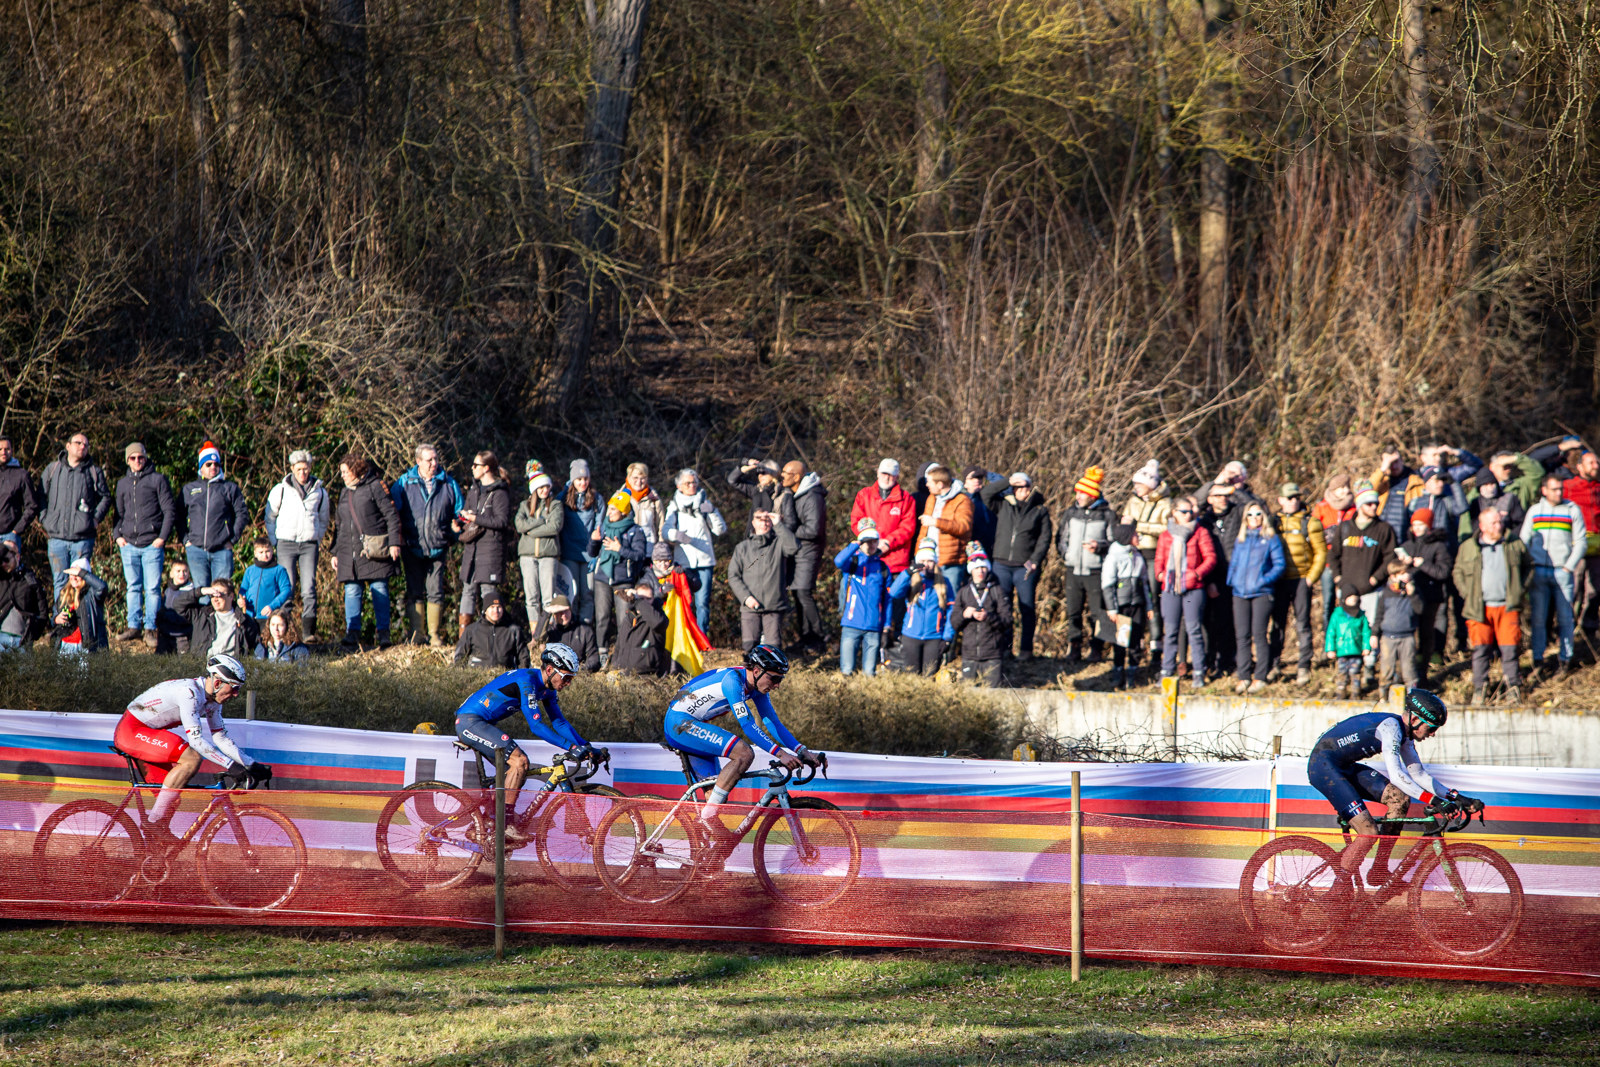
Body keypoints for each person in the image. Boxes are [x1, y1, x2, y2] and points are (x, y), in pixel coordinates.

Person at [1307, 689, 1480, 894]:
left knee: (1399, 799)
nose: (1433, 734)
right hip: (1323, 766)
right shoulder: (1391, 728)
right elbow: (1397, 776)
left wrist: (1457, 797)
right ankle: (1337, 892)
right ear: (1415, 719)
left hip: (1343, 766)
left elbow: (1418, 774)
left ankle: (1379, 868)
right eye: (1432, 727)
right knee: (1369, 832)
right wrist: (1434, 800)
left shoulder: (1405, 734)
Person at [662, 645, 819, 845]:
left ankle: (704, 856)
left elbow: (773, 722)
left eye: (781, 680)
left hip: (691, 725)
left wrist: (801, 750)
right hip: (679, 723)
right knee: (744, 753)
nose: (777, 685)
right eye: (774, 679)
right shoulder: (732, 681)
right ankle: (706, 819)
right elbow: (748, 725)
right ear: (757, 670)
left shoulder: (757, 688)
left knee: (716, 795)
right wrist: (781, 754)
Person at [115, 655, 271, 850]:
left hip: (147, 733)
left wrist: (250, 764)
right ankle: (153, 823)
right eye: (234, 688)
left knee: (172, 798)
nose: (236, 694)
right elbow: (196, 741)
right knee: (192, 758)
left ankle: (152, 856)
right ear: (217, 682)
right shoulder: (189, 693)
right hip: (132, 731)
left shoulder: (213, 701)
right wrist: (231, 766)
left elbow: (220, 737)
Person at [452, 644, 589, 844]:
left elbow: (559, 723)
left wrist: (586, 746)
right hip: (470, 722)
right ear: (550, 670)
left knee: (515, 773)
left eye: (571, 679)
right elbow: (536, 726)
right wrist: (571, 747)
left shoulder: (547, 690)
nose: (568, 683)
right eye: (566, 677)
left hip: (480, 723)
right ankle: (505, 824)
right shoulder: (527, 682)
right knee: (520, 762)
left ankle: (486, 822)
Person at [391, 444, 464, 648]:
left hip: (438, 546)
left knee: (436, 591)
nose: (434, 463)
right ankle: (417, 634)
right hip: (412, 546)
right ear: (418, 461)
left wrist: (454, 532)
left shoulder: (448, 483)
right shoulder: (404, 482)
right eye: (429, 460)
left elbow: (460, 511)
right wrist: (398, 538)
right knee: (414, 591)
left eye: (435, 459)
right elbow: (393, 512)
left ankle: (434, 635)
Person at [1454, 506, 1527, 705]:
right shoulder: (1469, 546)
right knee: (1480, 650)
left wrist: (1520, 590)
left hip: (1507, 606)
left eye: (1499, 521)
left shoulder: (1514, 543)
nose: (1499, 526)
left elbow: (1528, 567)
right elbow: (1457, 572)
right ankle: (1480, 689)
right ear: (1482, 526)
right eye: (1493, 523)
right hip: (1479, 608)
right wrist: (1467, 593)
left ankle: (1512, 688)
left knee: (1510, 650)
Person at [329, 452, 403, 649]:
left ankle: (384, 634)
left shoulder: (375, 486)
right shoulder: (344, 492)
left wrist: (394, 543)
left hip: (374, 550)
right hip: (349, 552)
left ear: (356, 470)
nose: (342, 476)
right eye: (341, 472)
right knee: (352, 591)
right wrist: (335, 552)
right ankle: (352, 633)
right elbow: (340, 525)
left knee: (379, 589)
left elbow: (391, 516)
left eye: (345, 472)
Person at [1326, 482, 1396, 690]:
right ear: (1359, 505)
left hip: (1371, 590)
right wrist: (1338, 578)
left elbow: (1390, 558)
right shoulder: (1345, 527)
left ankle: (1369, 667)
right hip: (1347, 591)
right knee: (1346, 628)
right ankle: (1345, 669)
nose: (1374, 507)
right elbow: (1333, 555)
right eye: (1369, 504)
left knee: (1370, 628)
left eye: (1376, 503)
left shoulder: (1383, 529)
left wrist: (1375, 578)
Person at [980, 471, 1052, 661]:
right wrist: (1007, 481)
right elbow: (985, 494)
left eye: (1025, 487)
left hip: (1024, 568)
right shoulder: (1003, 505)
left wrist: (1035, 560)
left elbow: (1044, 539)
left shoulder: (1039, 510)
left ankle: (1026, 650)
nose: (1022, 491)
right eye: (1018, 487)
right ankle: (1005, 648)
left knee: (1026, 607)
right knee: (1003, 607)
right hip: (1001, 565)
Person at [1521, 473, 1586, 680]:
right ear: (1544, 490)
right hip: (1539, 571)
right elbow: (1524, 540)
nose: (1559, 493)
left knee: (1566, 617)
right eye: (1554, 489)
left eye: (1560, 489)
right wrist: (1529, 565)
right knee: (1539, 618)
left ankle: (1565, 658)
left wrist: (1568, 567)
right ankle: (1538, 659)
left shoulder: (1572, 510)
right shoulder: (1535, 511)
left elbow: (1581, 541)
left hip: (1562, 571)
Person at [113, 441, 176, 646]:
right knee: (132, 587)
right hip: (128, 544)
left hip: (151, 544)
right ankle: (133, 627)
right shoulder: (122, 484)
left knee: (152, 589)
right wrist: (117, 535)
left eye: (140, 457)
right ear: (127, 460)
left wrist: (162, 537)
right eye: (133, 458)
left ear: (146, 458)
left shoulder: (158, 480)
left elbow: (169, 510)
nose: (137, 461)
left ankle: (150, 628)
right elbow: (118, 513)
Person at [265, 449, 331, 641]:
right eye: (299, 469)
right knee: (287, 588)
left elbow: (324, 519)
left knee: (309, 588)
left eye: (306, 468)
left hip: (309, 545)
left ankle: (308, 633)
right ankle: (285, 631)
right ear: (292, 468)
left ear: (310, 468)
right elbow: (270, 516)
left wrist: (316, 538)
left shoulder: (319, 491)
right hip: (286, 543)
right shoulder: (281, 489)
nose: (303, 472)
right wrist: (275, 540)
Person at [850, 460, 919, 640]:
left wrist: (888, 542)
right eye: (884, 473)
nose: (886, 478)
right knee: (868, 602)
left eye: (891, 475)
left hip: (895, 561)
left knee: (895, 604)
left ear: (897, 476)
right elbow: (856, 521)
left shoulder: (906, 499)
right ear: (878, 473)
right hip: (869, 560)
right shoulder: (864, 495)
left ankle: (894, 641)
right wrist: (869, 540)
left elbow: (908, 528)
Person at [38, 432, 110, 599]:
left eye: (86, 445)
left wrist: (95, 519)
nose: (83, 447)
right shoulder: (52, 469)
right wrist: (44, 519)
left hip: (82, 539)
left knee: (80, 582)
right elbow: (40, 496)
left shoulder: (93, 472)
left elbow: (105, 497)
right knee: (60, 582)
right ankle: (61, 615)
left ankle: (79, 615)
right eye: (79, 443)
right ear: (68, 446)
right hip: (56, 538)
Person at [1156, 495, 1217, 690]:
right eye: (1183, 511)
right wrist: (1160, 574)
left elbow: (1210, 557)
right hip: (1170, 588)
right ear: (1174, 512)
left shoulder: (1200, 532)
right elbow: (1159, 559)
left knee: (1193, 629)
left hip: (1193, 589)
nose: (1188, 515)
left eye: (1190, 511)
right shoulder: (1166, 535)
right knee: (1171, 631)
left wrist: (1196, 574)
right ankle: (1166, 671)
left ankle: (1199, 672)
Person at [1226, 503, 1286, 693]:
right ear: (1245, 518)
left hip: (1261, 593)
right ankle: (1243, 676)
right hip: (1239, 593)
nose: (1254, 517)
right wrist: (1232, 581)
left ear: (1263, 516)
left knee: (1259, 634)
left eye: (1258, 513)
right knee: (1241, 636)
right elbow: (1234, 563)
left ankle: (1260, 676)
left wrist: (1263, 581)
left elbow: (1279, 564)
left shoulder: (1270, 538)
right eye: (1250, 514)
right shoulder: (1241, 539)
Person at [1057, 466, 1113, 665]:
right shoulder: (1071, 513)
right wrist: (1067, 556)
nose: (1078, 496)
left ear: (1092, 495)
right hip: (1073, 569)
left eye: (1082, 493)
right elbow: (1061, 538)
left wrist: (1100, 547)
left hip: (1096, 571)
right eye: (1077, 492)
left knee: (1097, 611)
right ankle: (1074, 648)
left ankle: (1097, 649)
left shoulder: (1107, 514)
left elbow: (1113, 542)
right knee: (1073, 611)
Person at [661, 468, 728, 635]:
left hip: (705, 561)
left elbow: (720, 530)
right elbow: (665, 531)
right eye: (688, 483)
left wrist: (712, 511)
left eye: (694, 482)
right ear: (679, 486)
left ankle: (702, 637)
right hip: (683, 562)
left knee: (702, 603)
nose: (692, 486)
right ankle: (686, 637)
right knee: (685, 602)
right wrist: (677, 535)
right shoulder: (674, 506)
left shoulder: (704, 502)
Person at [1270, 483, 1324, 685]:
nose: (1294, 501)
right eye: (1289, 498)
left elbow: (1321, 552)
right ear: (1280, 500)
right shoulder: (1273, 522)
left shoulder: (1310, 522)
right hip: (1279, 580)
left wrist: (1311, 577)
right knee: (1277, 624)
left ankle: (1304, 666)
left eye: (1296, 497)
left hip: (1302, 579)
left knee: (1302, 624)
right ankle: (1274, 664)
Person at [180, 441, 249, 599]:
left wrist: (232, 539)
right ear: (201, 466)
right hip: (196, 550)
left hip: (221, 551)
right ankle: (205, 617)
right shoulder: (189, 489)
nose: (213, 467)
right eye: (208, 464)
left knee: (222, 593)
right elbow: (178, 516)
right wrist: (186, 540)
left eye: (216, 464)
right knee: (202, 594)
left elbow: (242, 513)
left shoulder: (229, 488)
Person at [727, 508, 798, 651]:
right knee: (749, 647)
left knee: (773, 650)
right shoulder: (742, 548)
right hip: (749, 607)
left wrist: (779, 524)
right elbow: (733, 576)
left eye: (767, 520)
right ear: (753, 522)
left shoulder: (779, 544)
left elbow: (794, 547)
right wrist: (746, 598)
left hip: (774, 606)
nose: (764, 523)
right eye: (759, 519)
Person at [457, 450, 513, 630]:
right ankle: (463, 636)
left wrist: (475, 519)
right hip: (472, 549)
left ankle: (490, 634)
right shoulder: (474, 490)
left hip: (490, 550)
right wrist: (459, 523)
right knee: (467, 591)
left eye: (476, 465)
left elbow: (501, 521)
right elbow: (467, 514)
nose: (472, 468)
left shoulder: (500, 492)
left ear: (486, 468)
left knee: (488, 593)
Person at [1120, 460, 1170, 660]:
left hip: (1152, 555)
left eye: (1139, 484)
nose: (1136, 488)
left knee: (1152, 600)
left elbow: (1166, 529)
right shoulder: (1133, 501)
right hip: (1132, 553)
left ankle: (1156, 644)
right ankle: (1130, 644)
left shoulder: (1165, 503)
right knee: (1130, 599)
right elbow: (1125, 523)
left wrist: (1140, 526)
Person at [591, 490, 649, 661]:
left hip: (623, 581)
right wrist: (594, 541)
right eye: (609, 508)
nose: (608, 512)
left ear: (623, 512)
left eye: (613, 509)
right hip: (602, 578)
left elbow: (640, 555)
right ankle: (602, 653)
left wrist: (620, 549)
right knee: (602, 617)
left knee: (624, 620)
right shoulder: (604, 527)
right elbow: (592, 553)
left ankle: (623, 655)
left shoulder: (635, 530)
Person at [1396, 507, 1452, 683]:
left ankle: (1423, 672)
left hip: (1430, 597)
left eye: (1421, 524)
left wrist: (1422, 564)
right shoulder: (1407, 546)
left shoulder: (1439, 546)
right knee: (1407, 635)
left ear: (1428, 525)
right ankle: (1405, 671)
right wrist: (1403, 565)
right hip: (1409, 598)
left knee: (1426, 635)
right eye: (1414, 525)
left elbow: (1443, 572)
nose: (1417, 528)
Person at [889, 538, 956, 676]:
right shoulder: (912, 581)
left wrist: (947, 637)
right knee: (911, 677)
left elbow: (951, 611)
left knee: (929, 676)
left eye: (930, 561)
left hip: (934, 637)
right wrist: (907, 573)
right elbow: (894, 593)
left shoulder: (944, 582)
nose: (926, 564)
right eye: (923, 561)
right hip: (911, 636)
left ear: (935, 562)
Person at [782, 460, 829, 655]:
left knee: (803, 593)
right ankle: (805, 638)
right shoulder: (797, 494)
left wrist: (789, 530)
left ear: (796, 476)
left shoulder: (813, 497)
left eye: (785, 473)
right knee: (797, 593)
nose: (782, 476)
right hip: (798, 551)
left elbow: (814, 530)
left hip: (809, 551)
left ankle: (818, 639)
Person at [1100, 523, 1154, 690]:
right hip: (1122, 605)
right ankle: (1118, 672)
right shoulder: (1114, 556)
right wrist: (1112, 608)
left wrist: (1149, 606)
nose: (1139, 538)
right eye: (1136, 535)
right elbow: (1107, 585)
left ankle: (1132, 672)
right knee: (1121, 640)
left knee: (1136, 640)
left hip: (1137, 603)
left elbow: (1145, 583)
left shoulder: (1137, 555)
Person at [515, 467, 566, 639]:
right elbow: (519, 525)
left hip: (548, 556)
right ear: (534, 488)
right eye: (541, 487)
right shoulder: (524, 505)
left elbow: (554, 527)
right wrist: (541, 521)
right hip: (527, 556)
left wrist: (530, 531)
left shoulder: (555, 505)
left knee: (548, 598)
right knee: (531, 598)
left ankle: (547, 632)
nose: (545, 490)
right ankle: (535, 634)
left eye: (547, 486)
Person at [835, 518, 890, 676]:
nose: (871, 545)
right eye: (868, 541)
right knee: (846, 671)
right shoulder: (852, 562)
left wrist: (886, 625)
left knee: (869, 673)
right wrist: (856, 544)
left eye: (874, 541)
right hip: (851, 623)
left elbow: (888, 599)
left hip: (874, 626)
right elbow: (838, 561)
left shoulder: (882, 567)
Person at [953, 549, 1010, 686]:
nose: (980, 571)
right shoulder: (964, 592)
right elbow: (954, 623)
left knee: (993, 693)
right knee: (968, 693)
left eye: (983, 567)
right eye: (977, 568)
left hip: (992, 655)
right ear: (971, 570)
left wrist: (988, 617)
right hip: (969, 655)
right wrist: (964, 615)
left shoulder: (997, 591)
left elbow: (1007, 620)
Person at [171, 577, 260, 660]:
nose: (215, 599)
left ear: (231, 596)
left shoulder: (244, 621)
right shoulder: (202, 615)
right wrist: (201, 591)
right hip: (203, 665)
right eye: (212, 595)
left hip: (230, 666)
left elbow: (251, 647)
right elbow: (178, 605)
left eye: (219, 595)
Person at [919, 464, 974, 595]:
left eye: (929, 482)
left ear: (940, 484)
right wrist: (918, 552)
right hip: (929, 560)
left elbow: (964, 526)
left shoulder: (962, 500)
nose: (927, 485)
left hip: (950, 562)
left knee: (950, 599)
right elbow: (924, 529)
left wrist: (936, 522)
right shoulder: (931, 498)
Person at [560, 460, 602, 625]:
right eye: (578, 479)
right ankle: (571, 627)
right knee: (572, 593)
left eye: (585, 479)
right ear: (573, 481)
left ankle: (585, 628)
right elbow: (553, 505)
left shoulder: (596, 498)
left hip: (589, 554)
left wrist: (596, 552)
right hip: (569, 553)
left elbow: (601, 525)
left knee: (587, 593)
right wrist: (565, 489)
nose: (583, 483)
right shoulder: (565, 497)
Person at [1563, 450, 1600, 634]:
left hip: (1597, 546)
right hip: (1575, 544)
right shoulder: (1568, 487)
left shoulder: (1598, 488)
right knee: (1574, 586)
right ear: (1579, 466)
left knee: (1595, 589)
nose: (1596, 466)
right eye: (1591, 463)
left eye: (1597, 462)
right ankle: (1567, 626)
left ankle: (1589, 627)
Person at [1312, 474, 1356, 630]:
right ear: (1333, 490)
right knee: (1328, 600)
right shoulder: (1322, 507)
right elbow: (1314, 533)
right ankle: (1328, 637)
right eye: (1341, 488)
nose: (1345, 491)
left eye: (1346, 487)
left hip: (1349, 561)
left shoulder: (1353, 507)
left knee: (1348, 599)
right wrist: (1327, 534)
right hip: (1328, 561)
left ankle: (1347, 636)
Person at [1373, 561, 1423, 688]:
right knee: (1387, 669)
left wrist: (1413, 595)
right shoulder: (1385, 593)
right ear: (1393, 576)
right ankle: (1384, 694)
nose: (1406, 576)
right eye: (1402, 574)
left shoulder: (1414, 591)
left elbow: (1420, 610)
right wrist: (1374, 634)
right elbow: (1379, 615)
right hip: (1388, 637)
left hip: (1407, 637)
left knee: (1409, 669)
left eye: (1407, 573)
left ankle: (1412, 694)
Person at [454, 590, 529, 669]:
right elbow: (460, 657)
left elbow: (523, 658)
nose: (496, 611)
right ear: (485, 610)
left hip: (505, 675)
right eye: (492, 607)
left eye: (499, 607)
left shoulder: (513, 631)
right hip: (478, 674)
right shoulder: (472, 630)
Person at [613, 574, 671, 676]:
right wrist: (614, 666)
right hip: (623, 675)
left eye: (648, 599)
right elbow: (619, 646)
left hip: (647, 676)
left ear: (653, 599)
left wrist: (638, 600)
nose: (644, 602)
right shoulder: (629, 618)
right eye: (641, 598)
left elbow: (657, 622)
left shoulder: (659, 618)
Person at [49, 558, 109, 655]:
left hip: (87, 646)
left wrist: (82, 573)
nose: (74, 578)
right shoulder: (64, 593)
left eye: (77, 575)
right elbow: (53, 617)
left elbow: (102, 587)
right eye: (71, 574)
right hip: (65, 645)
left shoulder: (92, 594)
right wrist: (56, 619)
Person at [1325, 591, 1374, 699]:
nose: (1353, 599)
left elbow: (1366, 633)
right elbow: (1331, 633)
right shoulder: (1337, 614)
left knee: (1355, 672)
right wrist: (1330, 649)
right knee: (1342, 672)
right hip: (1341, 650)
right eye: (1350, 596)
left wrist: (1366, 647)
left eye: (1355, 596)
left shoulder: (1361, 615)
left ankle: (1356, 693)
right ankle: (1340, 693)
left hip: (1356, 650)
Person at [0, 541, 47, 650]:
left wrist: (33, 634)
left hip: (22, 640)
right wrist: (4, 547)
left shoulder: (30, 580)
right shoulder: (2, 578)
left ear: (17, 557)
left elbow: (42, 610)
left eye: (6, 560)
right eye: (0, 560)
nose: (3, 564)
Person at [535, 594, 600, 673]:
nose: (564, 615)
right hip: (555, 675)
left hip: (578, 674)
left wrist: (579, 670)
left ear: (571, 610)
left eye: (566, 611)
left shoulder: (584, 630)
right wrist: (546, 613)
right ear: (554, 614)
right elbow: (537, 638)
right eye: (560, 612)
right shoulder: (550, 632)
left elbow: (594, 658)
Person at [727, 458, 795, 530]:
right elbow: (732, 480)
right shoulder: (757, 490)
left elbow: (790, 523)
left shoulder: (784, 494)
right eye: (758, 473)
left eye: (763, 472)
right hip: (754, 534)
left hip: (774, 534)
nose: (760, 475)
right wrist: (745, 464)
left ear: (773, 473)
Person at [0, 436, 40, 556]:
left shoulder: (21, 475)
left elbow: (32, 505)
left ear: (12, 450)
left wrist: (16, 530)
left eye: (7, 449)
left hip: (9, 536)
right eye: (0, 449)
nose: (3, 452)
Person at [239, 537, 292, 620]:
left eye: (267, 551)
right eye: (261, 552)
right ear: (255, 553)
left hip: (269, 615)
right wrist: (240, 600)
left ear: (272, 551)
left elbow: (286, 590)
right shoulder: (249, 570)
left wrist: (272, 606)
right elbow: (243, 590)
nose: (265, 555)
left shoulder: (279, 570)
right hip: (249, 616)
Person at [155, 560, 196, 654]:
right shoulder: (167, 591)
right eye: (178, 571)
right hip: (166, 634)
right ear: (171, 574)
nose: (182, 574)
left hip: (183, 636)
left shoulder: (191, 592)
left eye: (185, 571)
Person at [621, 462, 664, 544]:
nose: (639, 482)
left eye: (642, 478)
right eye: (635, 478)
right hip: (625, 546)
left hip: (649, 546)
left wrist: (661, 544)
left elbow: (661, 526)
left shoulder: (654, 499)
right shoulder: (619, 497)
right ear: (628, 478)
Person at [964, 467, 997, 556]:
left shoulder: (990, 497)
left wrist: (987, 474)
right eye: (972, 478)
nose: (976, 480)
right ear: (965, 483)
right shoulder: (961, 500)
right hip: (969, 548)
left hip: (991, 547)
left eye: (979, 477)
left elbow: (1007, 484)